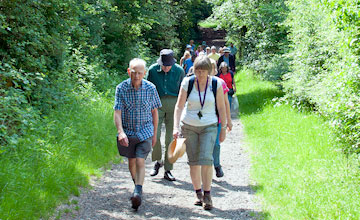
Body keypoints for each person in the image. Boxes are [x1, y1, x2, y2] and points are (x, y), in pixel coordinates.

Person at [173, 55, 227, 210]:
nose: (201, 74)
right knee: (194, 161)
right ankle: (198, 192)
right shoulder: (187, 82)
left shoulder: (215, 84)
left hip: (209, 126)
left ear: (209, 71)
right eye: (198, 71)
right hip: (189, 126)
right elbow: (178, 106)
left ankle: (208, 194)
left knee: (206, 159)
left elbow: (222, 107)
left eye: (204, 71)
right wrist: (176, 127)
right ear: (194, 70)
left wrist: (223, 128)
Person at [114, 58, 162, 210]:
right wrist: (120, 132)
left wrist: (155, 134)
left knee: (140, 160)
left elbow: (155, 112)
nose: (136, 76)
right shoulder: (121, 88)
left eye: (140, 73)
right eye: (134, 73)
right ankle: (137, 186)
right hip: (128, 132)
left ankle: (137, 193)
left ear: (144, 73)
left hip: (145, 131)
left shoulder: (151, 88)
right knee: (132, 161)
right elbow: (117, 112)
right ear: (129, 71)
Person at [147, 49, 185, 181]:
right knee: (154, 135)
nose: (166, 68)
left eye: (168, 66)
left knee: (170, 138)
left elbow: (183, 90)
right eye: (164, 65)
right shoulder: (152, 70)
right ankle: (158, 161)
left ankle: (168, 169)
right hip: (157, 104)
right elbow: (147, 88)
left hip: (174, 104)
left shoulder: (179, 71)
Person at [209, 59, 233, 177]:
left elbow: (225, 104)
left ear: (215, 70)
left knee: (216, 144)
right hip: (203, 120)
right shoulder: (196, 83)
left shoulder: (220, 83)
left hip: (217, 119)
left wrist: (228, 121)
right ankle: (206, 168)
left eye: (212, 68)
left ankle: (217, 165)